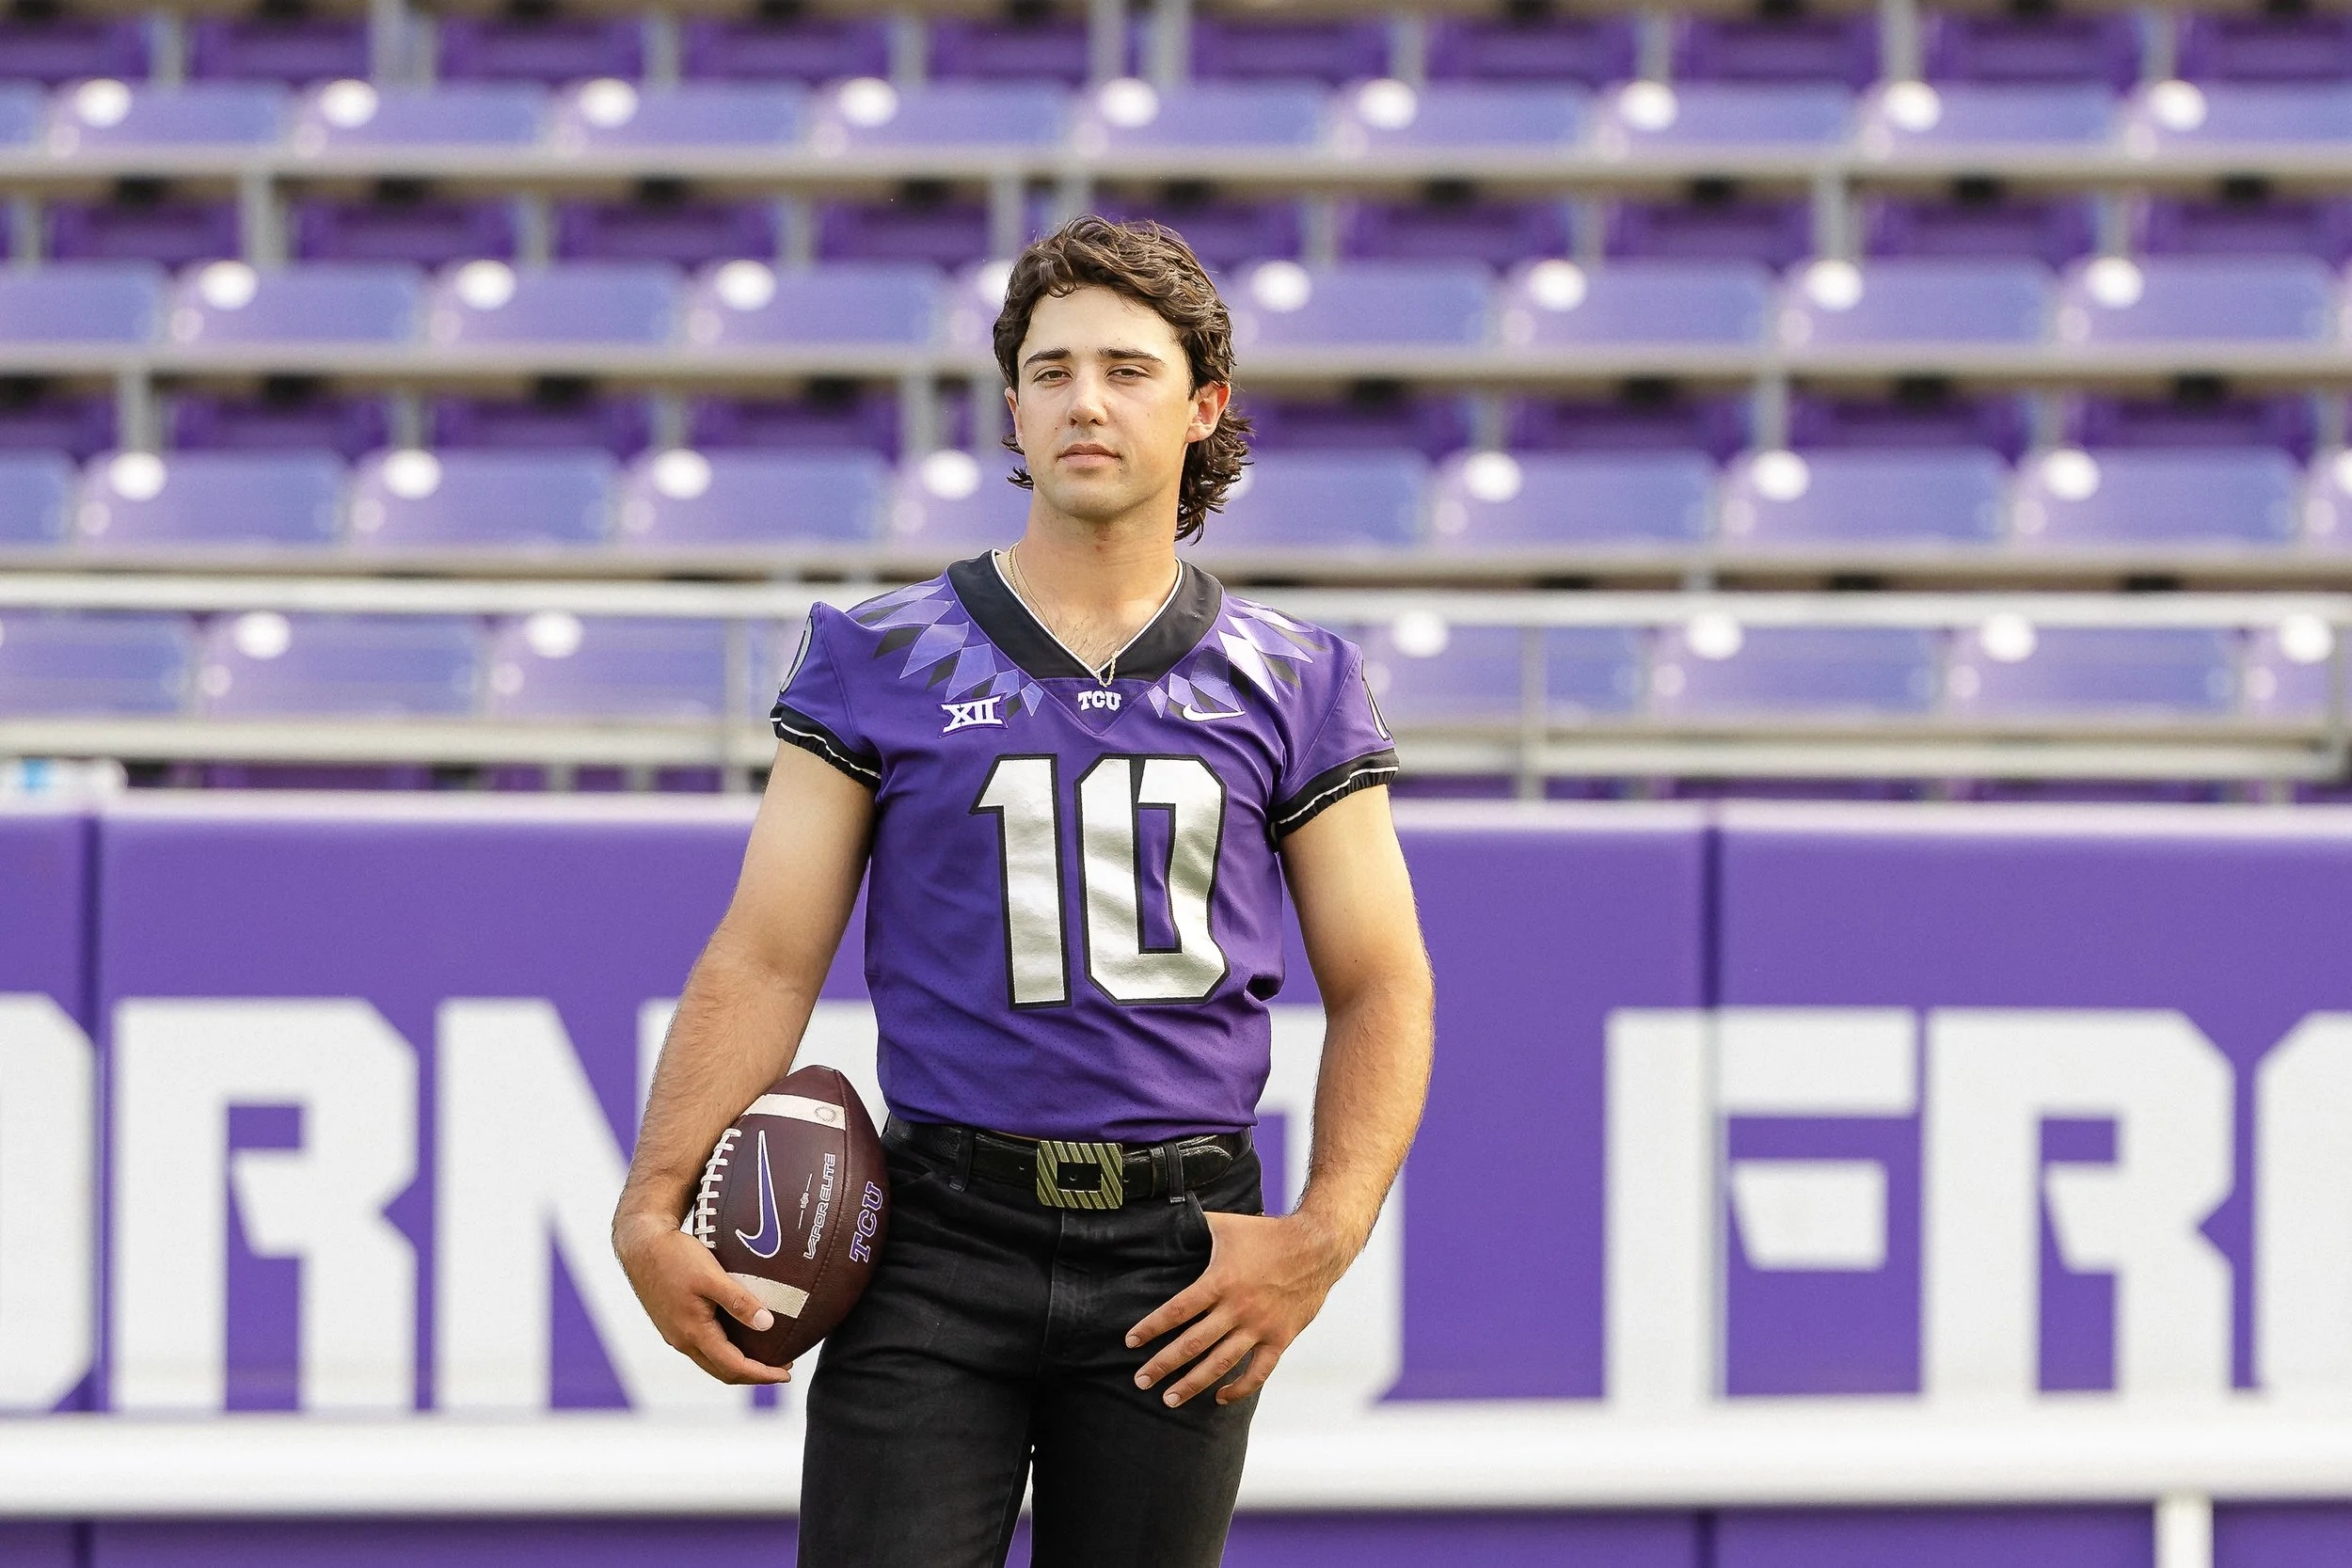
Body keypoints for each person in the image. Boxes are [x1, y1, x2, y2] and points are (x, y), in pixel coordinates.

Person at [613, 215, 1435, 1568]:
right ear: (1013, 408)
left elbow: (1382, 980)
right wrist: (654, 1198)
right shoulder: (878, 654)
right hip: (937, 1231)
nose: (1086, 401)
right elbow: (766, 953)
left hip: (1179, 1250)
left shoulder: (1295, 676)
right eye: (1051, 373)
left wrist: (1323, 1235)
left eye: (1125, 368)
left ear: (1203, 409)